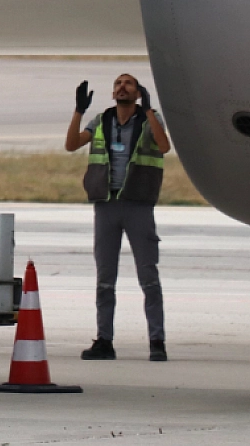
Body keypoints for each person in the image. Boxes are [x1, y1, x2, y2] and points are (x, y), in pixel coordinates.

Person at [64, 73, 172, 362]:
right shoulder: (101, 120)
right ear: (113, 93)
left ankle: (157, 341)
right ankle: (104, 340)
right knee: (105, 279)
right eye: (117, 84)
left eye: (128, 84)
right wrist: (78, 111)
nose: (122, 87)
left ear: (138, 93)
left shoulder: (150, 120)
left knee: (148, 277)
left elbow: (164, 147)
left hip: (138, 204)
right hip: (107, 204)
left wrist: (149, 111)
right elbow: (72, 144)